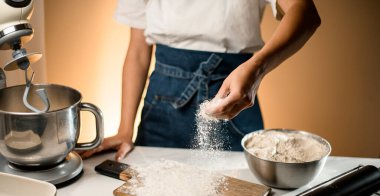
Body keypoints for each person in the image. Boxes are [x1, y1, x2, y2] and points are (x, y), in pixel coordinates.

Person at [80, 0, 321, 161]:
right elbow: (138, 51)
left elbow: (305, 12)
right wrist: (125, 130)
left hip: (234, 100)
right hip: (162, 106)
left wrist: (256, 69)